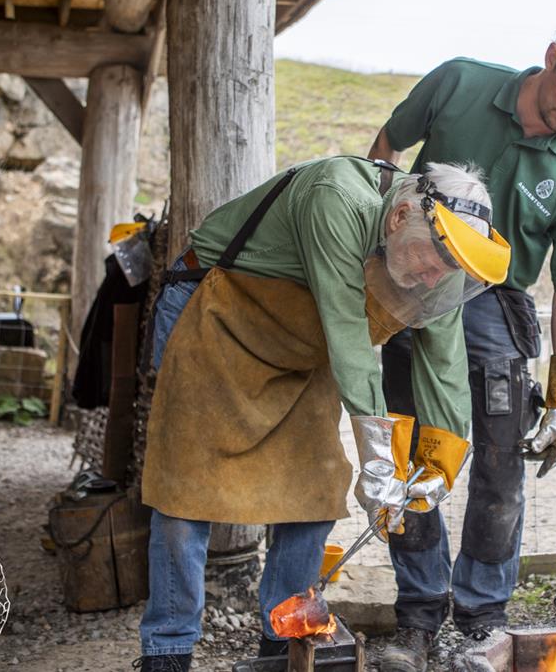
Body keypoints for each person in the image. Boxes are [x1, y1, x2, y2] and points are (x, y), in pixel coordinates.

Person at [134, 156, 511, 671]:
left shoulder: (441, 256)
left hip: (304, 347)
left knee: (313, 491)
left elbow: (444, 362)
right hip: (221, 318)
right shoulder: (336, 198)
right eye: (430, 260)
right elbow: (349, 336)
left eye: (447, 271)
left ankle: (283, 640)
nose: (432, 278)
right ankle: (168, 650)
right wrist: (382, 464)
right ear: (399, 217)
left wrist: (440, 462)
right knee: (185, 492)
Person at [367, 0, 556, 671]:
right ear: (554, 58)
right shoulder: (459, 83)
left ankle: (480, 617)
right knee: (410, 450)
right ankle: (419, 613)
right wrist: (382, 233)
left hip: (496, 305)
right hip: (417, 284)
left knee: (498, 464)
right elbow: (387, 146)